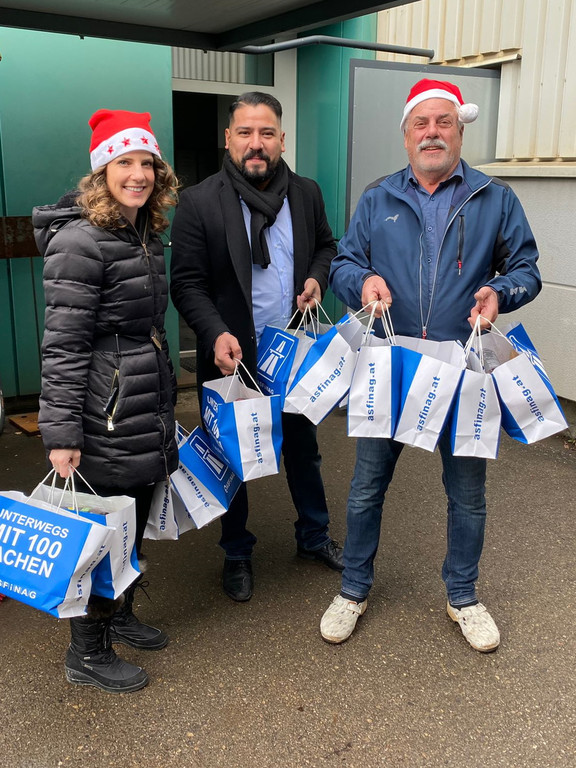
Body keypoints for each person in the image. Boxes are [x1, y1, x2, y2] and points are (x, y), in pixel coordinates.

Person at [320, 79, 541, 651]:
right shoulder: (378, 197)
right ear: (406, 135)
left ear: (460, 132)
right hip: (389, 364)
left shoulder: (494, 197)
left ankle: (462, 596)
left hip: (463, 368)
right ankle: (353, 589)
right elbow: (344, 262)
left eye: (444, 122)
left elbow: (527, 270)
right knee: (366, 488)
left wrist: (500, 292)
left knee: (467, 494)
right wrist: (361, 282)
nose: (432, 133)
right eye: (421, 123)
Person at [170, 91, 343, 602]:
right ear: (228, 138)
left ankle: (313, 537)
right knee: (232, 457)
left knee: (304, 452)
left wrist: (316, 279)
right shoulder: (200, 201)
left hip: (292, 353)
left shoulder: (306, 193)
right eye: (245, 132)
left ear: (282, 139)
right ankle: (236, 552)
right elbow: (187, 284)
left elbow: (327, 246)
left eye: (266, 133)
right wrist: (214, 333)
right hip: (232, 355)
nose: (256, 143)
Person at [33, 109, 179, 692]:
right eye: (125, 163)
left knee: (131, 519)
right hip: (105, 412)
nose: (138, 174)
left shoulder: (143, 233)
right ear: (101, 172)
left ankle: (118, 615)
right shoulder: (80, 242)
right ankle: (86, 653)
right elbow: (64, 346)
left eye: (147, 163)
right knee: (101, 533)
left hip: (140, 401)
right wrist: (62, 434)